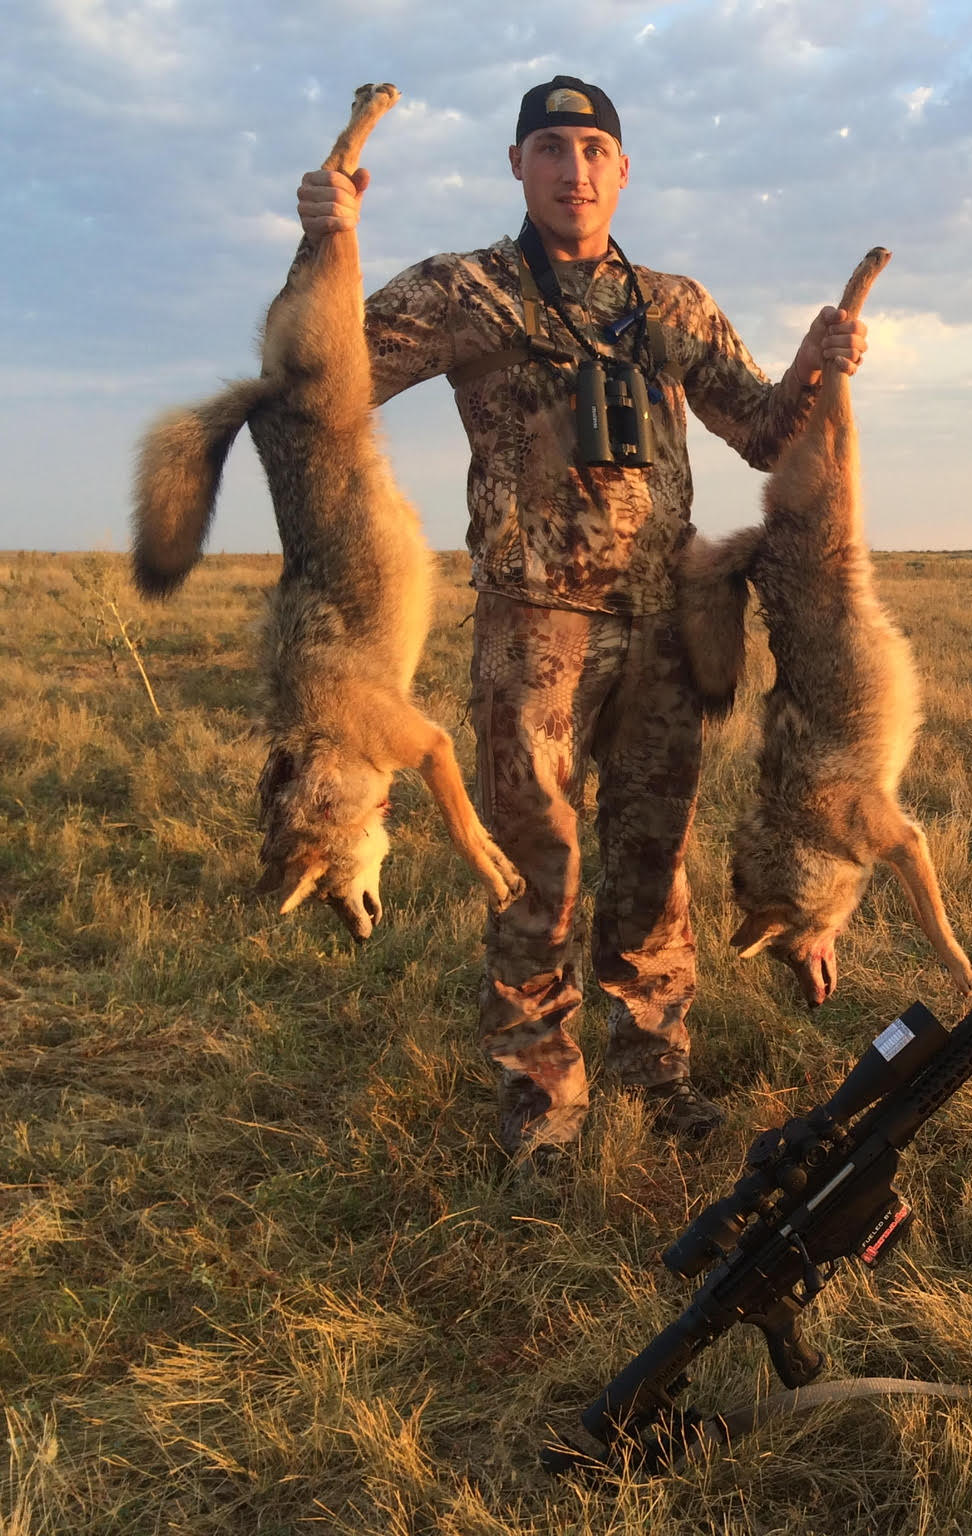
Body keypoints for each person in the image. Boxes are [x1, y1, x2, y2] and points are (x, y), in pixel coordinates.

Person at [297, 76, 867, 1159]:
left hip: (666, 625)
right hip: (533, 630)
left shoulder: (673, 305)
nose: (574, 171)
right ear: (518, 165)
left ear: (622, 169)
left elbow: (758, 429)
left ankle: (656, 1075)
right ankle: (542, 1101)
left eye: (594, 150)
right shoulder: (468, 291)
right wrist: (327, 245)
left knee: (653, 858)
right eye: (551, 149)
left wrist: (817, 362)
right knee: (538, 863)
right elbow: (325, 377)